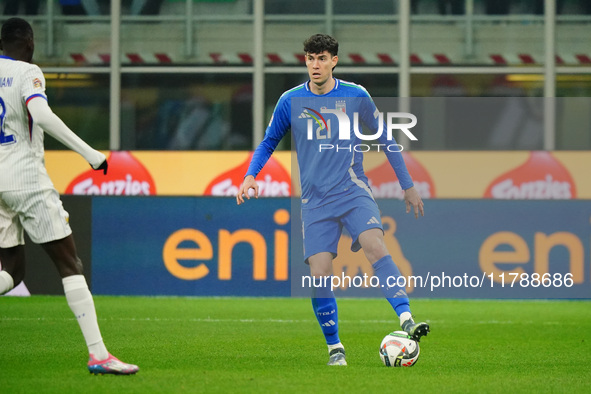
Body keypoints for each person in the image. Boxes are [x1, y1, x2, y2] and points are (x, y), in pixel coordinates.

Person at [236, 33, 429, 366]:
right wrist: (250, 176)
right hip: (314, 203)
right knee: (320, 273)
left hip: (353, 191)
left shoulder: (355, 96)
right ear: (305, 61)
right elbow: (268, 143)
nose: (315, 64)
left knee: (375, 246)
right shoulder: (290, 101)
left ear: (334, 61)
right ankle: (334, 347)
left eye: (322, 58)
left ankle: (406, 319)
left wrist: (407, 185)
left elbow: (386, 139)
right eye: (310, 58)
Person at [0, 17, 138, 375]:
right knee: (69, 263)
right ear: (29, 41)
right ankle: (99, 355)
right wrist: (90, 153)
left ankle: (100, 355)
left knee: (11, 272)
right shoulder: (28, 71)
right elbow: (40, 113)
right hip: (25, 177)